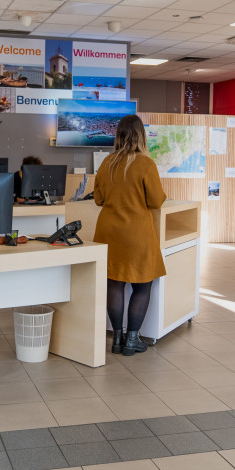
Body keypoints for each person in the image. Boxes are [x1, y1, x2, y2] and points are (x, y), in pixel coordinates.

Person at [93, 115, 166, 356]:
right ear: (141, 135)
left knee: (114, 284)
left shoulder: (107, 162)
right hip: (136, 233)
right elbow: (155, 201)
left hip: (108, 232)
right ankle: (132, 341)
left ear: (118, 135)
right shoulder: (146, 164)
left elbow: (98, 199)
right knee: (142, 286)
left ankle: (116, 339)